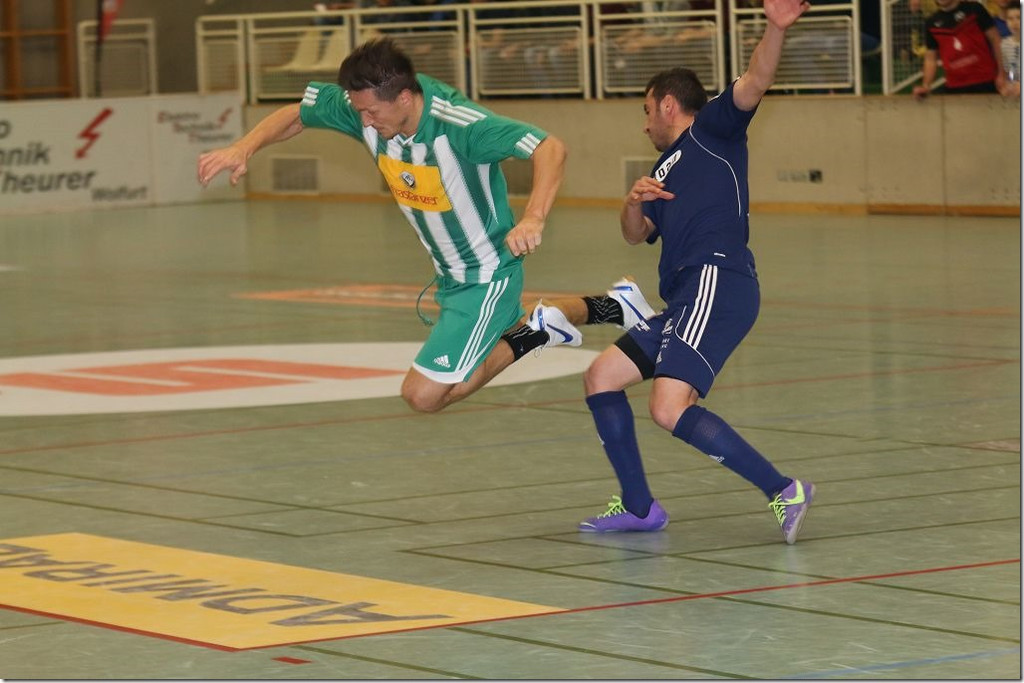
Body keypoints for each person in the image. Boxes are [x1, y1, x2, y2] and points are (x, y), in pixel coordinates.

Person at [198, 37, 656, 414]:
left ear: (404, 97)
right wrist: (243, 147)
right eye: (358, 112)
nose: (363, 122)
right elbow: (299, 112)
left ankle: (539, 330)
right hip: (449, 276)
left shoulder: (461, 126)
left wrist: (534, 216)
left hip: (487, 275)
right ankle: (607, 306)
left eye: (371, 113)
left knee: (424, 396)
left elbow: (549, 148)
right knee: (461, 366)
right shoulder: (369, 107)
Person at [551, 0, 816, 544]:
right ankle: (640, 507)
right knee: (602, 377)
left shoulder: (713, 131)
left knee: (669, 407)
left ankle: (784, 490)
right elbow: (635, 234)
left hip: (717, 280)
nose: (644, 122)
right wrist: (632, 201)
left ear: (668, 104)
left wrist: (775, 28)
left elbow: (756, 80)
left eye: (647, 109)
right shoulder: (660, 169)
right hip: (685, 296)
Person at [913, 0, 1011, 97]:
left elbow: (996, 40)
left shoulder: (974, 9)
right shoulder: (931, 23)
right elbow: (930, 59)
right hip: (954, 88)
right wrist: (926, 86)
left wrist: (1002, 74)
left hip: (986, 82)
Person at [1001, 0, 1021, 90]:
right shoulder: (1004, 44)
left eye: (1019, 18)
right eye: (1010, 18)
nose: (1014, 23)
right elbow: (1008, 72)